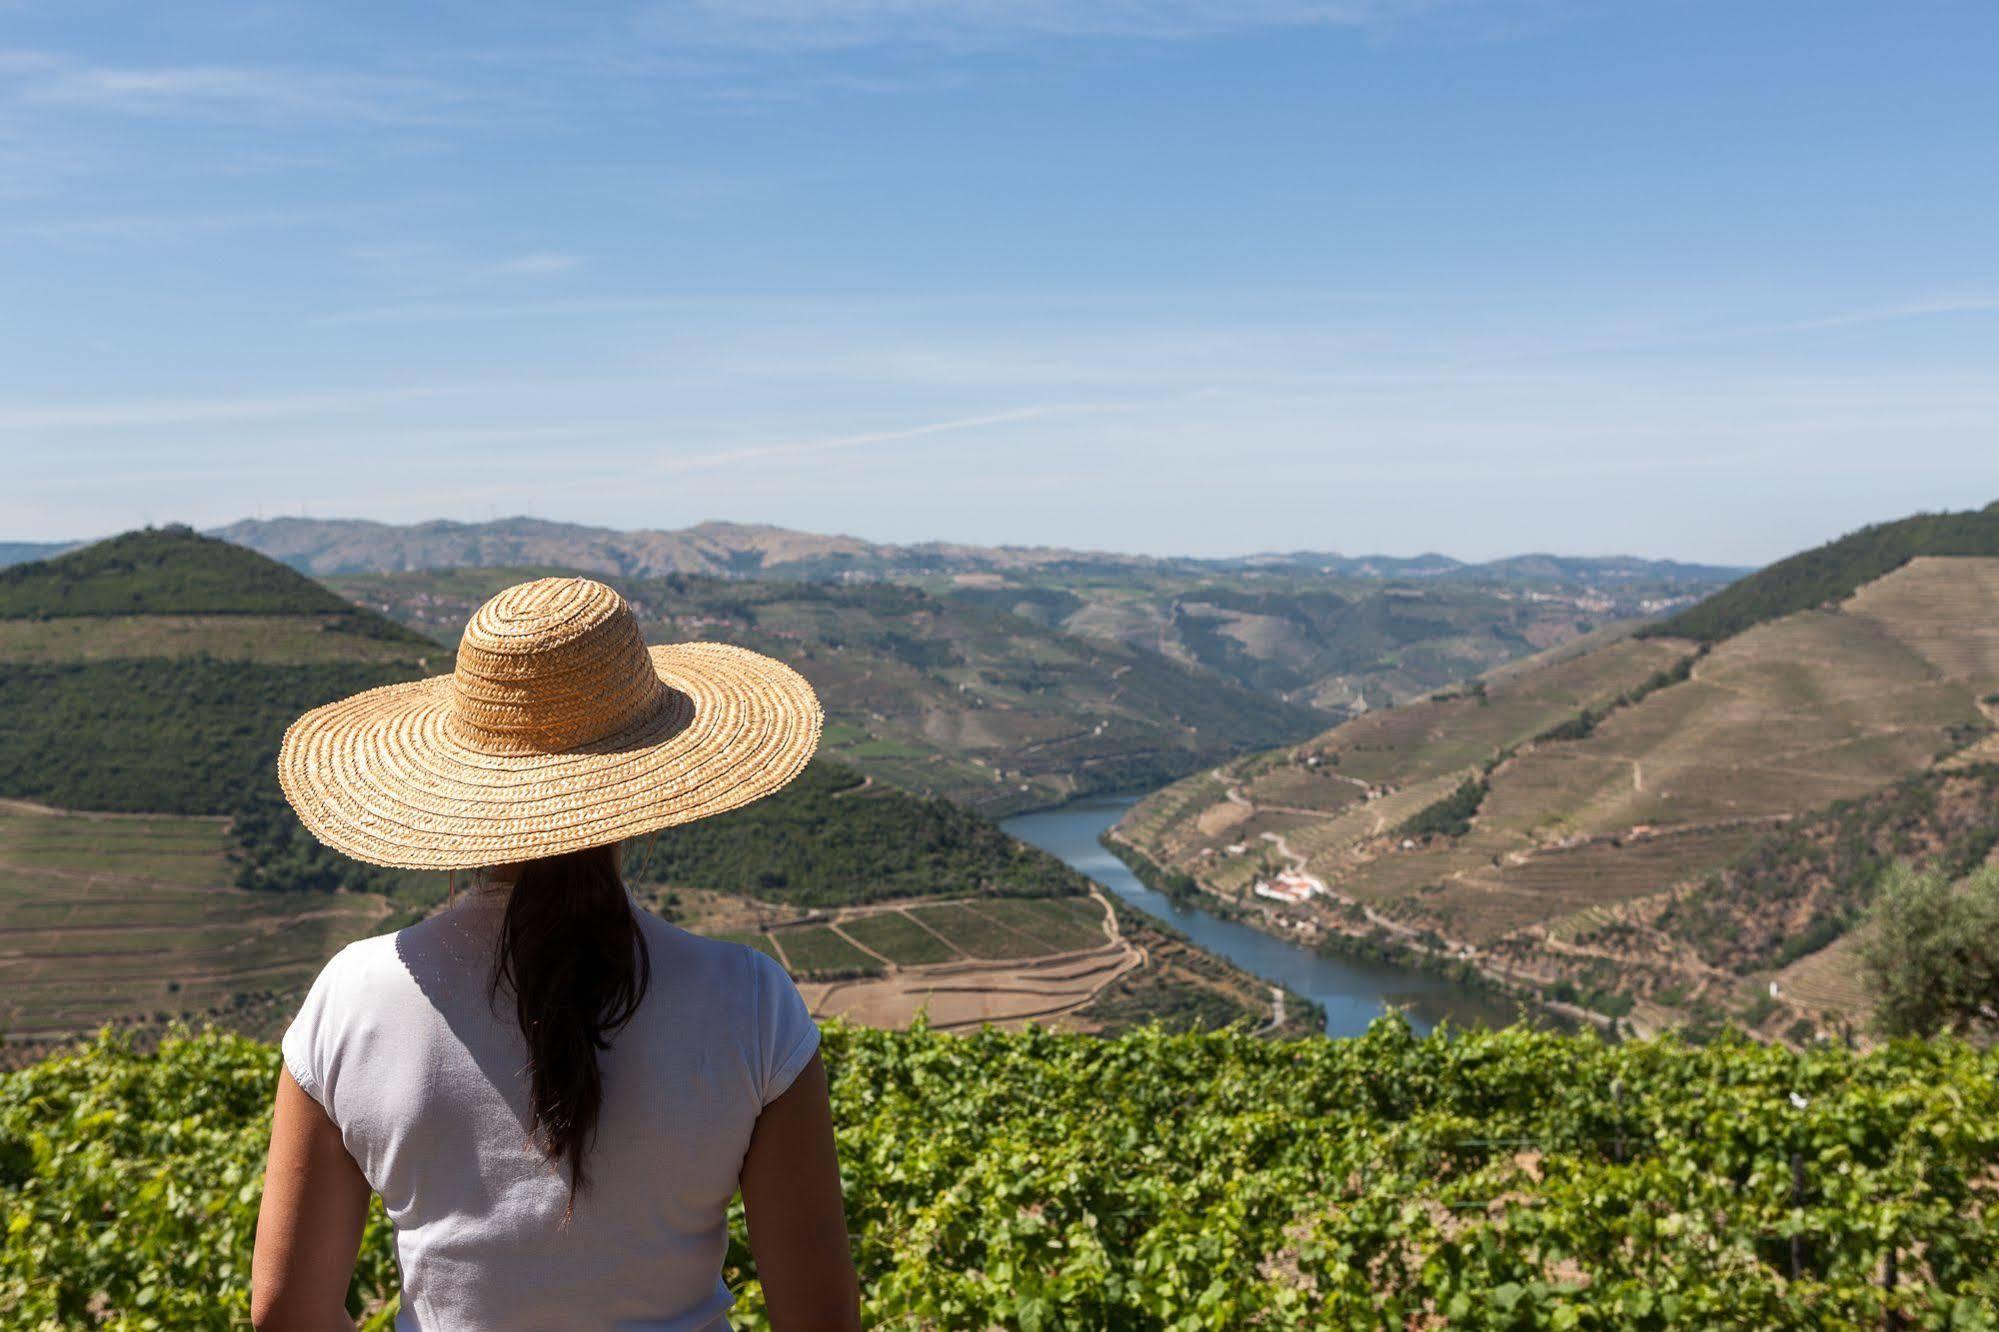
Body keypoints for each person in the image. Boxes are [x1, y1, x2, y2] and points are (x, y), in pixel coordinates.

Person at [250, 576, 860, 1331]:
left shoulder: (356, 997)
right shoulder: (751, 1000)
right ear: (648, 784)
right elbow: (820, 1315)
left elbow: (285, 1311)